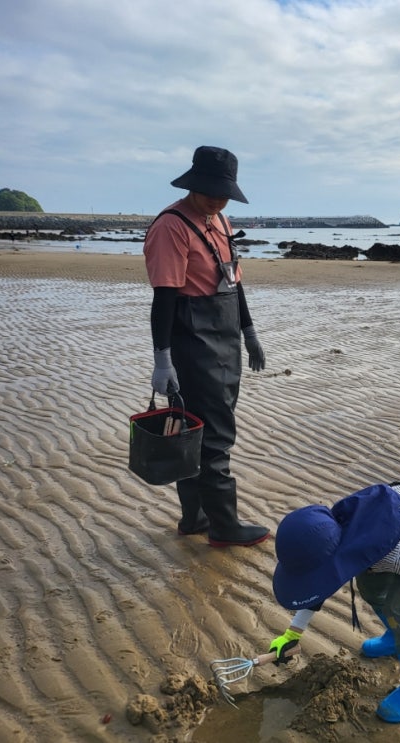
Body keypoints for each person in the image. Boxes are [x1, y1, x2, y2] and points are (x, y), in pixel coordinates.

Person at [267, 476, 400, 723]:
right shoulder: (331, 534)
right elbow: (318, 586)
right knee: (372, 587)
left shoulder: (392, 553)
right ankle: (399, 639)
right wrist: (292, 634)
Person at [143, 146, 269, 548]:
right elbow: (164, 297)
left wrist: (249, 332)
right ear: (192, 183)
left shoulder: (219, 219)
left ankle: (195, 517)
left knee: (196, 429)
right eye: (210, 190)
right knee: (214, 433)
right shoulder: (172, 226)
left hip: (225, 334)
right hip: (192, 340)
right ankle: (224, 525)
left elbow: (234, 281)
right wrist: (162, 359)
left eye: (224, 192)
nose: (217, 198)